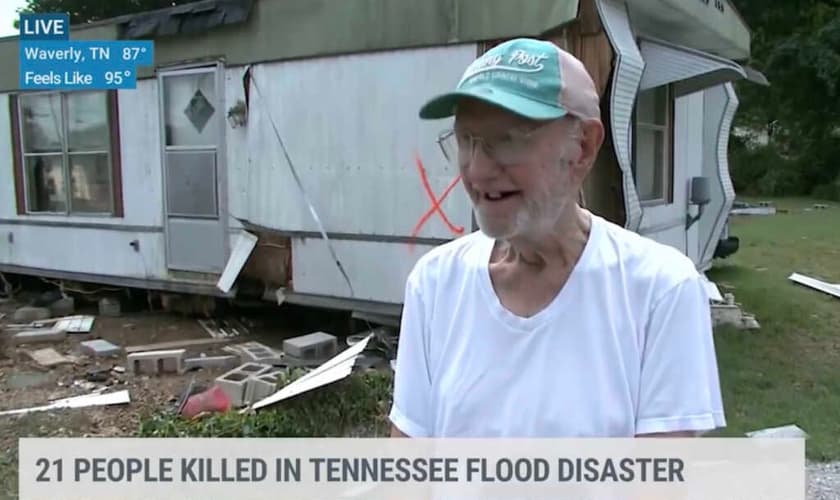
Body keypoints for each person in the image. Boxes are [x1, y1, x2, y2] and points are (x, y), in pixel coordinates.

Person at [388, 38, 725, 438]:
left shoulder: (660, 289)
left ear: (582, 147)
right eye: (465, 140)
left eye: (507, 140)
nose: (477, 171)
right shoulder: (435, 283)